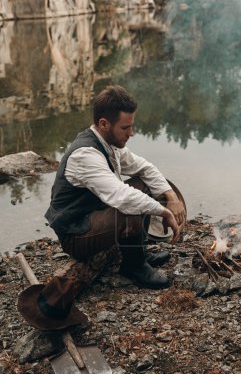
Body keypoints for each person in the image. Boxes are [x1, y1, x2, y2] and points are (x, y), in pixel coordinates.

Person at [17, 85, 186, 331]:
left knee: (142, 184)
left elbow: (144, 167)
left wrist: (170, 196)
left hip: (92, 218)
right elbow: (121, 196)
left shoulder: (110, 145)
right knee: (131, 206)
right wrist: (164, 212)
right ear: (104, 124)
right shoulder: (85, 155)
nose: (132, 133)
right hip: (76, 233)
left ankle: (139, 251)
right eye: (126, 128)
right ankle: (134, 267)